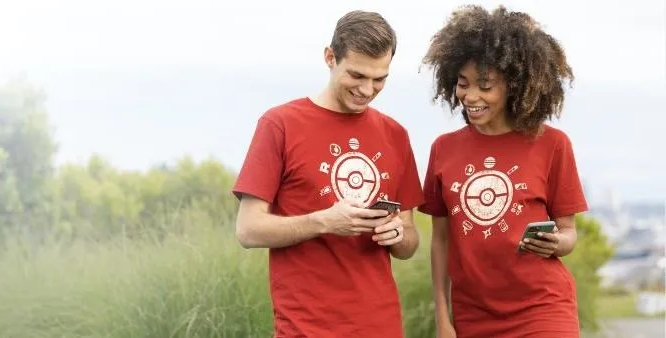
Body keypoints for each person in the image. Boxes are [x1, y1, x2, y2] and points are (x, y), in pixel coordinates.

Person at [232, 10, 424, 338]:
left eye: (380, 79)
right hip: (306, 329)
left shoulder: (396, 135)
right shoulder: (280, 125)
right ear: (330, 57)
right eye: (357, 75)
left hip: (381, 327)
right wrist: (325, 222)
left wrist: (398, 235)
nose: (367, 89)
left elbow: (408, 242)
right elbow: (248, 230)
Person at [418, 5, 588, 338]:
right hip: (473, 316)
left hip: (543, 310)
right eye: (463, 84)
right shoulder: (443, 149)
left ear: (514, 85)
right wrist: (443, 317)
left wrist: (557, 242)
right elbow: (441, 240)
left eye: (485, 86)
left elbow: (569, 233)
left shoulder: (552, 144)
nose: (470, 96)